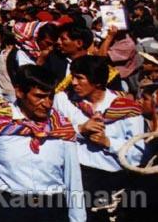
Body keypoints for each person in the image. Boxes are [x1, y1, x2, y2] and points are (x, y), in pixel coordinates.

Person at [0, 65, 84, 222]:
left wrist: (78, 218)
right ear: (19, 92)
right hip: (8, 208)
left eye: (50, 97)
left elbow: (73, 178)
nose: (47, 104)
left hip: (52, 209)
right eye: (39, 96)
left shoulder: (61, 127)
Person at [53, 55, 144, 222]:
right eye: (73, 76)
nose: (73, 83)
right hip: (75, 174)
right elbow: (52, 131)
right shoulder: (64, 100)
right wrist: (80, 130)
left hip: (110, 181)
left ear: (98, 82)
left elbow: (137, 155)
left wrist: (108, 142)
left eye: (80, 78)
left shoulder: (127, 109)